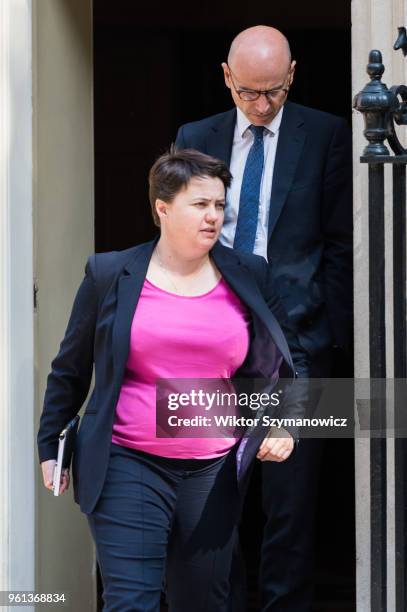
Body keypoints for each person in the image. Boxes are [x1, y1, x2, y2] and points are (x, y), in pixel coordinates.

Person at [37, 148, 308, 612]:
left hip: (214, 468)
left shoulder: (249, 274)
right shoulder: (109, 274)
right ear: (163, 208)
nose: (213, 216)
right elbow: (71, 368)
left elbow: (290, 361)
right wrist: (50, 445)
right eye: (200, 204)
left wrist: (286, 423)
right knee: (131, 600)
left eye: (220, 205)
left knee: (201, 600)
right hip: (127, 460)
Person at [175, 26, 353, 612]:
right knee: (213, 503)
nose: (260, 105)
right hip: (213, 344)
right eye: (249, 92)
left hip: (297, 345)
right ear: (227, 78)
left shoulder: (327, 134)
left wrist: (325, 332)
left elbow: (339, 244)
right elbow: (177, 239)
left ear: (293, 75)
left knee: (292, 510)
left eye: (273, 92)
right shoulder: (195, 137)